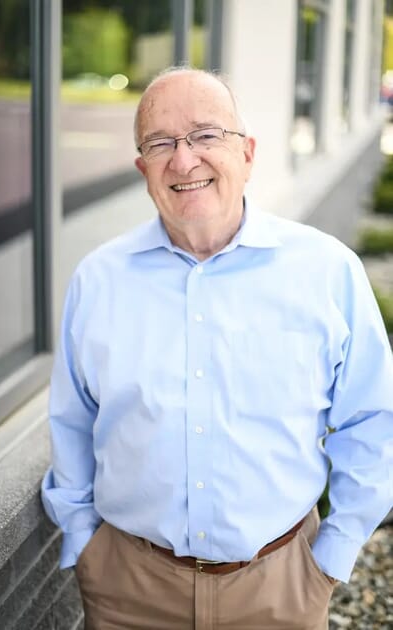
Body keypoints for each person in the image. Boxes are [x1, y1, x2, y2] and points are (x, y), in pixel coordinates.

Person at [41, 67, 393, 630]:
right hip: (129, 591)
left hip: (281, 589)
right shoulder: (99, 280)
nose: (183, 161)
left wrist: (332, 555)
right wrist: (85, 545)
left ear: (248, 152)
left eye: (205, 135)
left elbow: (374, 419)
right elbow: (73, 423)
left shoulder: (326, 272)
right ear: (142, 169)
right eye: (161, 144)